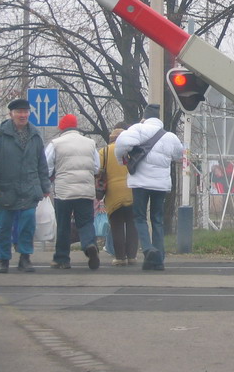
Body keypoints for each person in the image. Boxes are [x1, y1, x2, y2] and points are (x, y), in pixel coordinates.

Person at [0, 98, 51, 273]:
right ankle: (3, 259)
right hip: (5, 190)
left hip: (29, 189)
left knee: (28, 225)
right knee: (4, 227)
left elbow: (41, 163)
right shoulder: (0, 135)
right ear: (11, 114)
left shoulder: (35, 135)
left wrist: (45, 187)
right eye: (19, 112)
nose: (22, 115)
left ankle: (25, 258)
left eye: (25, 112)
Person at [114, 104, 183, 271]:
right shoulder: (170, 136)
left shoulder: (138, 129)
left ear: (144, 117)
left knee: (139, 217)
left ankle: (148, 249)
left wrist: (121, 158)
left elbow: (121, 143)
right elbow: (179, 155)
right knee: (157, 219)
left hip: (140, 183)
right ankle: (157, 260)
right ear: (158, 119)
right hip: (160, 184)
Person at [46, 114, 101, 270]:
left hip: (64, 191)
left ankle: (62, 259)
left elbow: (47, 167)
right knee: (85, 222)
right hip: (85, 190)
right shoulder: (90, 143)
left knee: (63, 225)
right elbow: (96, 167)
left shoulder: (55, 144)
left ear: (61, 128)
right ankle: (89, 244)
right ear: (76, 127)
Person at [98, 124, 139, 265]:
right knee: (132, 225)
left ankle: (120, 257)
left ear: (111, 139)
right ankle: (132, 256)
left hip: (113, 193)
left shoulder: (104, 151)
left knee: (117, 226)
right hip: (132, 191)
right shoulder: (132, 151)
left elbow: (97, 171)